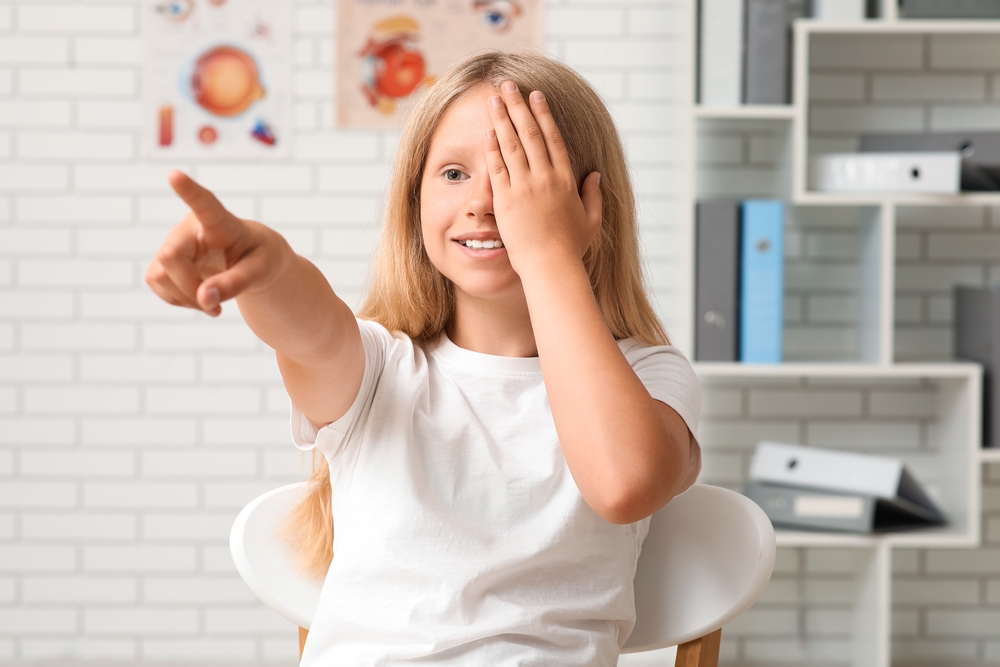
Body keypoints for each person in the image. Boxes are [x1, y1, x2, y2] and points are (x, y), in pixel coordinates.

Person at [146, 50, 702, 666]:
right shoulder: (380, 368)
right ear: (414, 202)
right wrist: (266, 265)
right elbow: (308, 327)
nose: (485, 203)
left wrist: (547, 252)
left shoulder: (649, 375)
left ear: (591, 202)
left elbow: (624, 484)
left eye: (521, 175)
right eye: (455, 174)